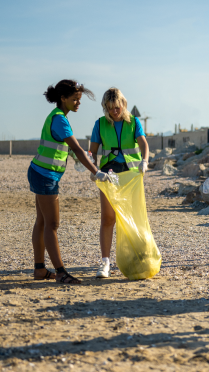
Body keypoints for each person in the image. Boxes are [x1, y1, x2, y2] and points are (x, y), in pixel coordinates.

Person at [29, 79, 109, 284]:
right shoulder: (60, 119)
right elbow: (76, 148)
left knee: (42, 222)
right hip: (46, 176)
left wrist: (82, 160)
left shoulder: (57, 116)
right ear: (63, 99)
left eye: (79, 99)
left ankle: (39, 269)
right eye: (75, 99)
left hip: (40, 172)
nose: (78, 103)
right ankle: (61, 272)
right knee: (52, 224)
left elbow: (69, 149)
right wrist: (96, 171)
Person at [89, 88, 150, 278]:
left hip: (131, 175)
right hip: (109, 175)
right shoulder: (99, 125)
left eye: (118, 107)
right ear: (105, 108)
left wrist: (145, 161)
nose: (115, 111)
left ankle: (138, 257)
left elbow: (144, 145)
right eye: (111, 108)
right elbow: (92, 153)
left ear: (123, 104)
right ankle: (105, 263)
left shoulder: (134, 123)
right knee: (108, 218)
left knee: (132, 217)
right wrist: (93, 170)